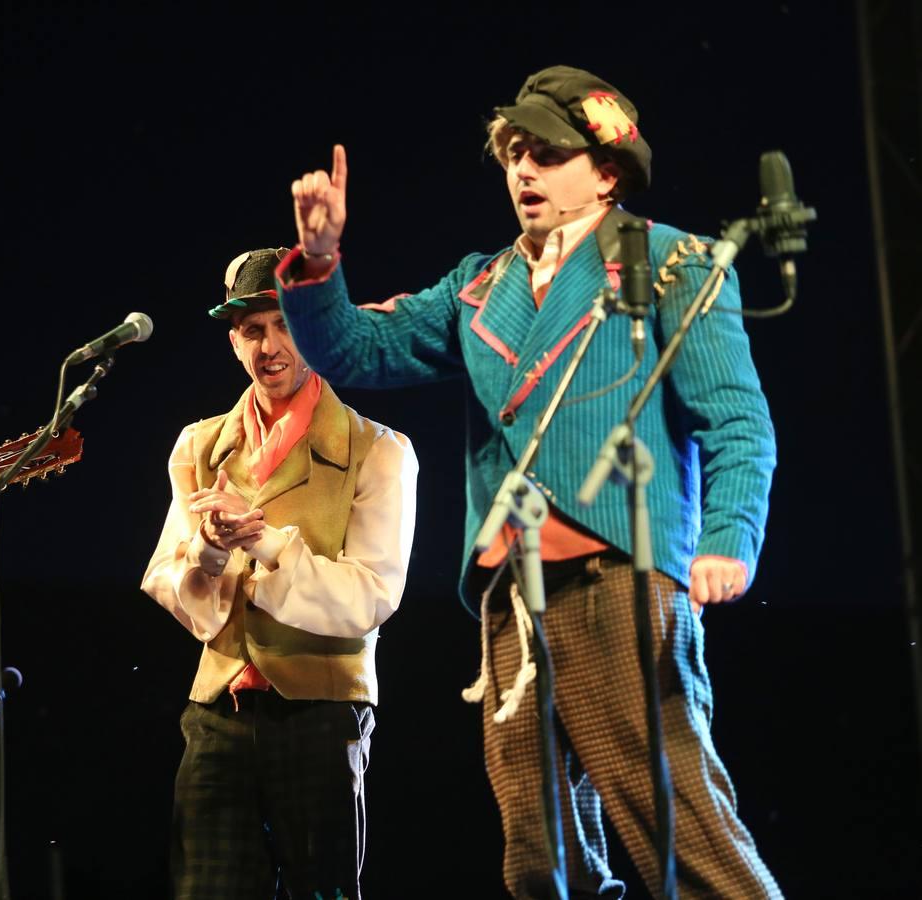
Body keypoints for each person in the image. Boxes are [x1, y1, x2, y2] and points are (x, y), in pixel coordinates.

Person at [278, 66, 782, 898]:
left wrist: (728, 538)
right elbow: (356, 352)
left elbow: (737, 420)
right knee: (538, 853)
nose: (523, 171)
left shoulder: (669, 263)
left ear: (607, 172)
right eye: (514, 153)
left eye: (546, 154)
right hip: (513, 595)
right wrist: (322, 261)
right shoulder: (480, 283)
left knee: (676, 822)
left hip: (619, 574)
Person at [141, 248, 418, 899]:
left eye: (285, 325)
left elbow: (371, 595)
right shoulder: (199, 447)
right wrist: (210, 551)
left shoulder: (377, 451)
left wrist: (265, 542)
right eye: (251, 330)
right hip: (218, 710)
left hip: (321, 710)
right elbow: (168, 579)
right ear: (233, 339)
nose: (269, 346)